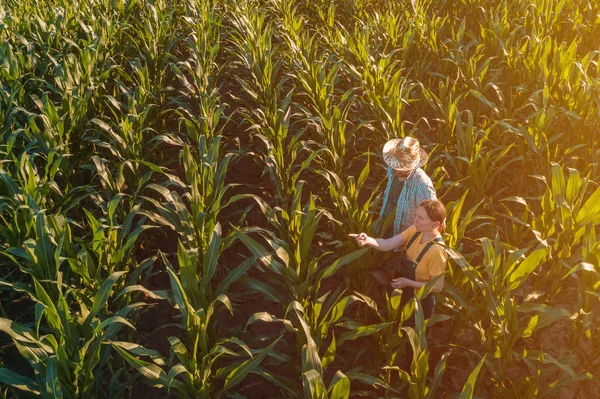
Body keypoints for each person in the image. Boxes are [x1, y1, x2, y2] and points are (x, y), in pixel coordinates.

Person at [349, 199, 448, 320]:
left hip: (419, 303)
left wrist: (408, 283)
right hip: (402, 291)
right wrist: (367, 240)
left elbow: (437, 286)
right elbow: (388, 244)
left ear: (436, 224)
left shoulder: (437, 251)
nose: (415, 219)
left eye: (421, 218)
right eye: (416, 215)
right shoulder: (415, 231)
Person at [378, 137, 436, 238]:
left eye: (401, 167)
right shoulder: (392, 169)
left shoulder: (422, 186)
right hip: (385, 227)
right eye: (395, 165)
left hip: (404, 239)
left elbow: (432, 218)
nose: (396, 170)